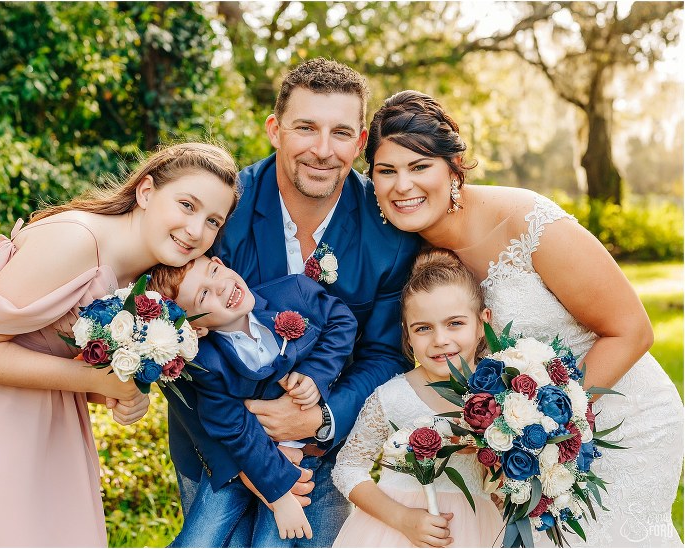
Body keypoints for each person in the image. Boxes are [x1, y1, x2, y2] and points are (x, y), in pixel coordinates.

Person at [365, 89, 684, 547]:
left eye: (420, 166)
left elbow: (632, 330)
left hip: (625, 415)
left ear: (453, 169)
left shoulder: (525, 221)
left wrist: (550, 426)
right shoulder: (410, 253)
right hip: (525, 440)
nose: (403, 185)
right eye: (386, 171)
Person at [0, 142, 240, 548]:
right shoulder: (75, 241)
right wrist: (97, 381)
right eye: (187, 205)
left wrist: (119, 393)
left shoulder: (145, 278)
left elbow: (58, 355)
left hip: (39, 410)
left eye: (213, 221)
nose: (196, 231)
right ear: (145, 192)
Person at [162, 58, 423, 547]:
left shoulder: (390, 235)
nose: (322, 151)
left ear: (360, 142)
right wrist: (244, 462)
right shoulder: (221, 210)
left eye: (341, 133)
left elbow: (386, 354)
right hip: (216, 444)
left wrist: (319, 419)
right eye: (305, 128)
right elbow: (170, 337)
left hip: (321, 452)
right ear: (275, 130)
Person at [148, 255, 357, 546]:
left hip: (309, 449)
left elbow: (342, 321)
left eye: (214, 271)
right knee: (199, 540)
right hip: (251, 455)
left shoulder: (293, 292)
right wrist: (280, 497)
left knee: (270, 542)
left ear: (221, 261)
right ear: (196, 329)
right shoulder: (206, 363)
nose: (220, 287)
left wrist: (315, 373)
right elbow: (234, 428)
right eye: (203, 294)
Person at [332, 248, 504, 548]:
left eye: (455, 323)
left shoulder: (506, 397)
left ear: (483, 323)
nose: (440, 340)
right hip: (393, 533)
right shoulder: (394, 397)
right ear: (407, 336)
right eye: (423, 328)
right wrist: (402, 518)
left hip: (477, 531)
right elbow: (347, 468)